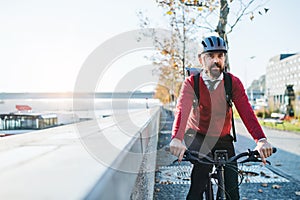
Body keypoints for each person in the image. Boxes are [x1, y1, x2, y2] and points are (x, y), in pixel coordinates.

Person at [169, 35, 273, 200]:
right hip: (197, 134)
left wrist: (261, 139)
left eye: (220, 55)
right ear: (201, 60)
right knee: (200, 179)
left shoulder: (233, 83)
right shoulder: (191, 83)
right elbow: (182, 110)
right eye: (210, 56)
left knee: (232, 188)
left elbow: (247, 112)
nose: (216, 60)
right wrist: (177, 138)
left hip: (223, 137)